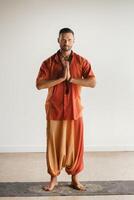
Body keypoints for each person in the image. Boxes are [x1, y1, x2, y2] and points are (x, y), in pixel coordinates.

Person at [36, 28, 96, 191]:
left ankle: (75, 179)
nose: (66, 42)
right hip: (55, 110)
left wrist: (72, 79)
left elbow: (92, 82)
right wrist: (61, 78)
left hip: (75, 110)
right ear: (58, 40)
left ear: (74, 41)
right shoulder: (48, 63)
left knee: (75, 145)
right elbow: (39, 84)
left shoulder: (82, 61)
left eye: (69, 39)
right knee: (54, 145)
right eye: (63, 39)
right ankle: (53, 178)